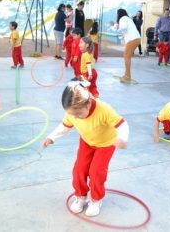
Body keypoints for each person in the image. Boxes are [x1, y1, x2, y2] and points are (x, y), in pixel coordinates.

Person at [42, 81, 129, 217]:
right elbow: (65, 126)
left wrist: (122, 138)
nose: (76, 117)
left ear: (88, 104)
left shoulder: (104, 109)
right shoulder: (72, 112)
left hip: (106, 144)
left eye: (79, 114)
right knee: (79, 169)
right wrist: (51, 137)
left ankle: (96, 199)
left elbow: (122, 124)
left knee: (96, 172)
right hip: (87, 142)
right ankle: (81, 196)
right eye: (72, 114)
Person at [112, 8, 141, 83]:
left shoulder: (122, 18)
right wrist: (116, 26)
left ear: (119, 14)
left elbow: (123, 27)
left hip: (132, 39)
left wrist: (118, 26)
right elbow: (122, 28)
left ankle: (127, 76)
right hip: (136, 38)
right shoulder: (127, 18)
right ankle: (126, 75)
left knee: (126, 57)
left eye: (117, 14)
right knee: (127, 57)